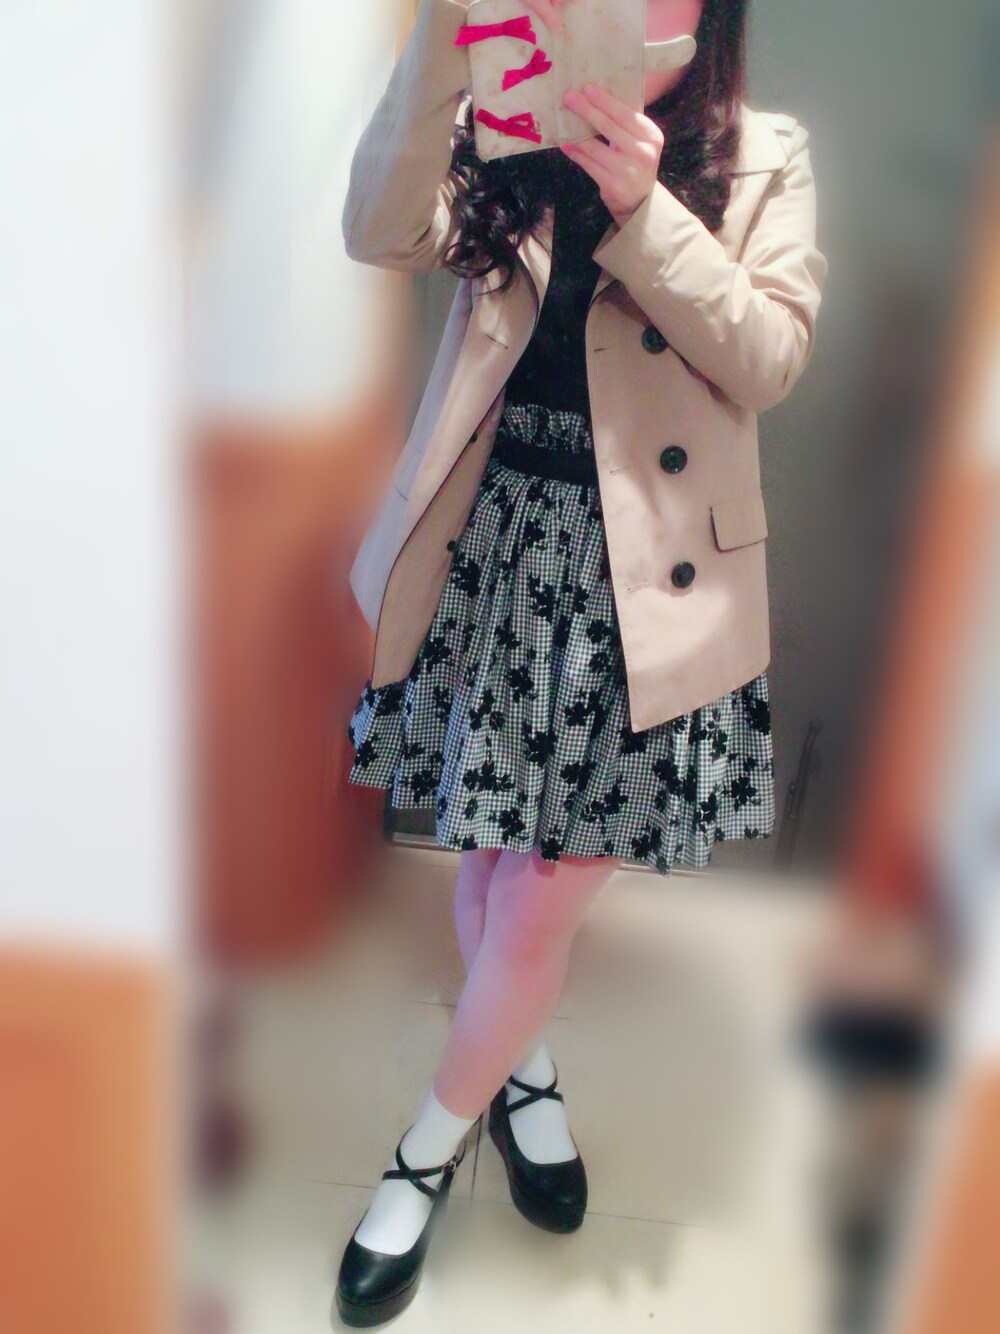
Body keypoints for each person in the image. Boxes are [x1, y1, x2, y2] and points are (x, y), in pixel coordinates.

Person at [337, 0, 827, 1323]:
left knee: (541, 899)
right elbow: (380, 231)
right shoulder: (500, 130)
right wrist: (441, 45)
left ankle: (423, 1153)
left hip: (650, 581)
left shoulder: (763, 151)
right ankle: (526, 1071)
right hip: (500, 540)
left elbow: (770, 358)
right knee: (497, 864)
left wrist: (645, 208)